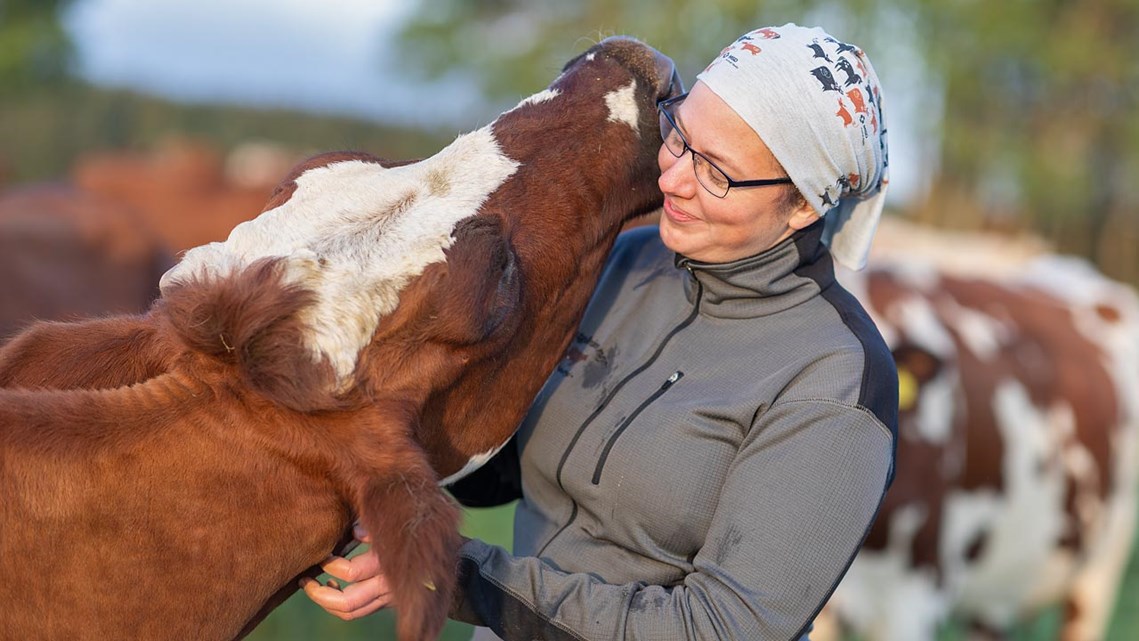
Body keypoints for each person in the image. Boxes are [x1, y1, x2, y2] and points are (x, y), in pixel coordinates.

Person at [303, 23, 897, 641]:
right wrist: (384, 465)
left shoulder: (832, 381)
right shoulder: (630, 261)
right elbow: (507, 465)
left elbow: (723, 628)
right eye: (679, 136)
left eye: (716, 172)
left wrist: (463, 578)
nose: (671, 179)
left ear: (804, 204)